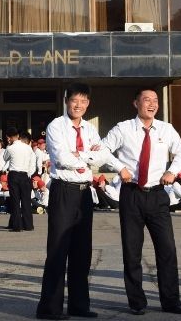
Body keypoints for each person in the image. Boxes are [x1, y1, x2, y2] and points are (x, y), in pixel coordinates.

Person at [100, 88, 181, 316]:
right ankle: (137, 302)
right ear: (136, 103)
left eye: (155, 100)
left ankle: (171, 301)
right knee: (132, 251)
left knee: (167, 249)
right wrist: (120, 168)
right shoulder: (123, 128)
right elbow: (103, 150)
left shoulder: (166, 129)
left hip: (158, 195)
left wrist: (173, 171)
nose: (152, 104)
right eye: (146, 100)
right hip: (132, 194)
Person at [36, 83, 108, 320]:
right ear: (67, 101)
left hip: (85, 192)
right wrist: (86, 157)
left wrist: (81, 156)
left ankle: (79, 305)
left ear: (88, 103)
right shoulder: (56, 126)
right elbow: (62, 159)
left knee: (82, 251)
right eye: (75, 100)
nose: (79, 105)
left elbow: (101, 156)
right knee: (58, 249)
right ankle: (50, 308)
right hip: (64, 191)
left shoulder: (89, 128)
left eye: (84, 101)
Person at [3, 126, 34, 232]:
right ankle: (28, 225)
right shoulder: (27, 147)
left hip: (14, 175)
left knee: (15, 201)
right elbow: (31, 161)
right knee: (26, 201)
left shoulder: (10, 148)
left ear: (9, 137)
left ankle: (17, 226)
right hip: (25, 175)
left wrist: (9, 145)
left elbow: (5, 158)